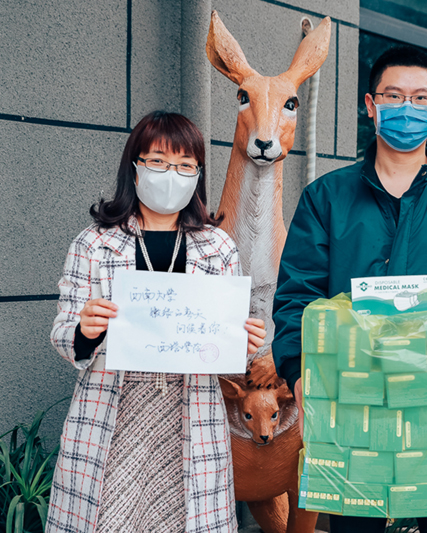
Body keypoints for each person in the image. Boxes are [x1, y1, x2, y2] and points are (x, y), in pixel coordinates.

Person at [270, 46, 427, 532]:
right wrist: (300, 374)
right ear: (371, 104)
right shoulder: (327, 198)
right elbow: (297, 293)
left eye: (421, 98)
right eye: (394, 95)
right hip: (350, 405)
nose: (409, 107)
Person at [46, 111, 267, 533]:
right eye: (158, 162)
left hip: (191, 413)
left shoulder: (217, 246)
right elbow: (63, 332)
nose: (171, 175)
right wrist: (84, 331)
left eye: (185, 165)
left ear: (198, 174)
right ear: (135, 167)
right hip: (114, 411)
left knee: (187, 518)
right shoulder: (95, 242)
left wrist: (244, 342)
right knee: (108, 518)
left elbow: (224, 341)